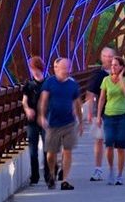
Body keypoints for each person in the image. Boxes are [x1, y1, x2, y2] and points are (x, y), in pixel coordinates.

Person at [38, 58, 83, 190]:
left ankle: (65, 180)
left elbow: (77, 103)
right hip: (53, 123)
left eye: (67, 68)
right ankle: (52, 172)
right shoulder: (49, 82)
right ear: (56, 68)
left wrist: (81, 122)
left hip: (69, 122)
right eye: (63, 68)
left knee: (68, 151)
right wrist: (41, 116)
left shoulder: (73, 84)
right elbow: (43, 100)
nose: (65, 71)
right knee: (51, 153)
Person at [96, 56, 125, 186]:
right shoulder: (106, 80)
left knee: (121, 147)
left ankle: (119, 175)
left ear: (121, 67)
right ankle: (111, 170)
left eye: (116, 65)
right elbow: (101, 99)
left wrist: (121, 77)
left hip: (122, 116)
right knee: (109, 144)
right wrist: (99, 116)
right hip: (109, 116)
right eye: (112, 65)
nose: (113, 67)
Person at [86, 47, 115, 181]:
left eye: (110, 56)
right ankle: (98, 169)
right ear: (101, 57)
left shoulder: (121, 72)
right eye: (106, 56)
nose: (108, 58)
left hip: (117, 114)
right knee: (99, 141)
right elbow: (90, 94)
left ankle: (114, 169)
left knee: (112, 143)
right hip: (101, 114)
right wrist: (91, 113)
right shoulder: (97, 74)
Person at [22, 56, 50, 185]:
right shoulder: (28, 84)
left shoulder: (48, 83)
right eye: (31, 69)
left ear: (40, 68)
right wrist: (27, 109)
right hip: (32, 122)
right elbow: (24, 101)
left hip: (45, 119)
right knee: (33, 150)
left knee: (47, 149)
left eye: (34, 68)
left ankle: (48, 175)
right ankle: (34, 177)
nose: (33, 71)